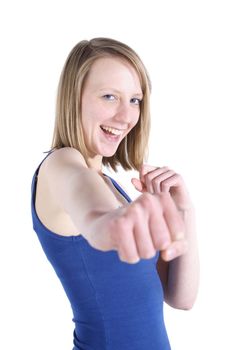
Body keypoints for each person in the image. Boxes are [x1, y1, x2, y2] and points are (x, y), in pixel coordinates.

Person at [31, 37, 199, 350]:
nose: (126, 117)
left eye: (135, 100)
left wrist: (183, 210)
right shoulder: (61, 164)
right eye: (109, 97)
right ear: (74, 98)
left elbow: (181, 298)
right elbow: (92, 213)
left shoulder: (111, 186)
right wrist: (108, 224)